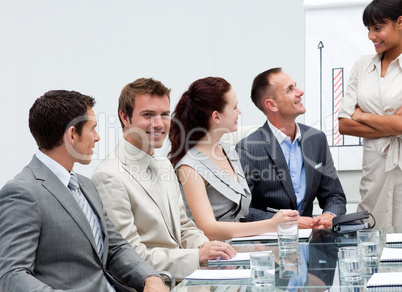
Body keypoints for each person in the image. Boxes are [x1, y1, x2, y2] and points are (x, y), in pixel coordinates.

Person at [0, 90, 166, 292]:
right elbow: (12, 274)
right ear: (72, 135)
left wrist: (149, 277)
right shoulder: (23, 192)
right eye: (92, 129)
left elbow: (115, 247)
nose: (97, 137)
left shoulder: (86, 186)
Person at [91, 78, 236, 282]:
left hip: (186, 277)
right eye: (148, 115)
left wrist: (206, 247)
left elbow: (183, 226)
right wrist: (196, 257)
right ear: (125, 118)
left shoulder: (163, 164)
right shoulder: (108, 176)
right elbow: (129, 257)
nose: (158, 124)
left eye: (164, 115)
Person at [168, 76, 299, 241]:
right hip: (212, 253)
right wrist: (271, 224)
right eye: (235, 107)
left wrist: (280, 220)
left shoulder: (229, 151)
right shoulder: (189, 166)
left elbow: (241, 214)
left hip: (239, 244)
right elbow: (208, 229)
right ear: (216, 117)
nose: (240, 112)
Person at [236, 68, 346, 229]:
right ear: (271, 105)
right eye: (290, 89)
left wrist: (329, 215)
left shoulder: (317, 139)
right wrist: (286, 222)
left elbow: (334, 195)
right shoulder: (248, 148)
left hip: (312, 239)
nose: (300, 92)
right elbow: (242, 209)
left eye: (296, 86)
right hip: (268, 243)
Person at [339, 0, 402, 227]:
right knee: (370, 243)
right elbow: (344, 125)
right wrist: (392, 122)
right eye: (368, 29)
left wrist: (362, 116)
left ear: (400, 22)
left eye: (378, 28)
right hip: (374, 172)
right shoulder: (362, 65)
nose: (371, 36)